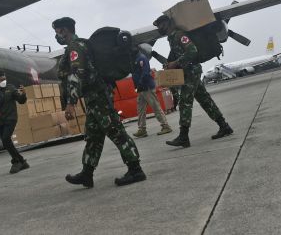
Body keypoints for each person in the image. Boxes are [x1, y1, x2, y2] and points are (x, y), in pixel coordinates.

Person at [53, 17, 146, 187]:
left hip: (98, 96)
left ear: (64, 30)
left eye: (57, 32)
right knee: (94, 136)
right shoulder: (81, 45)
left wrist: (71, 102)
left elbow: (76, 73)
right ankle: (86, 174)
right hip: (94, 97)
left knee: (115, 130)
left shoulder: (76, 47)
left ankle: (136, 169)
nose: (56, 35)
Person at [153, 15, 234, 148]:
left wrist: (176, 63)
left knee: (185, 102)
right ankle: (224, 126)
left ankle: (184, 137)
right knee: (205, 100)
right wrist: (171, 64)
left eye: (160, 25)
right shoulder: (172, 38)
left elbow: (192, 50)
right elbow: (180, 54)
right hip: (189, 71)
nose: (159, 28)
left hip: (192, 71)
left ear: (168, 24)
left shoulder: (179, 35)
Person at [0, 71, 30, 174]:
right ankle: (22, 161)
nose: (4, 81)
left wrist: (24, 94)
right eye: (1, 80)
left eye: (4, 79)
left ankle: (16, 161)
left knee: (5, 138)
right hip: (0, 120)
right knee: (6, 142)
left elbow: (21, 101)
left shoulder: (11, 88)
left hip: (11, 118)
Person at [131, 44, 172, 137]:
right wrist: (137, 87)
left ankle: (166, 126)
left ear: (136, 49)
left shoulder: (142, 58)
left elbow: (145, 73)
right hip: (141, 88)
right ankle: (142, 129)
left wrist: (140, 84)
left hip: (146, 87)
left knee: (155, 106)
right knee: (140, 109)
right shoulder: (135, 59)